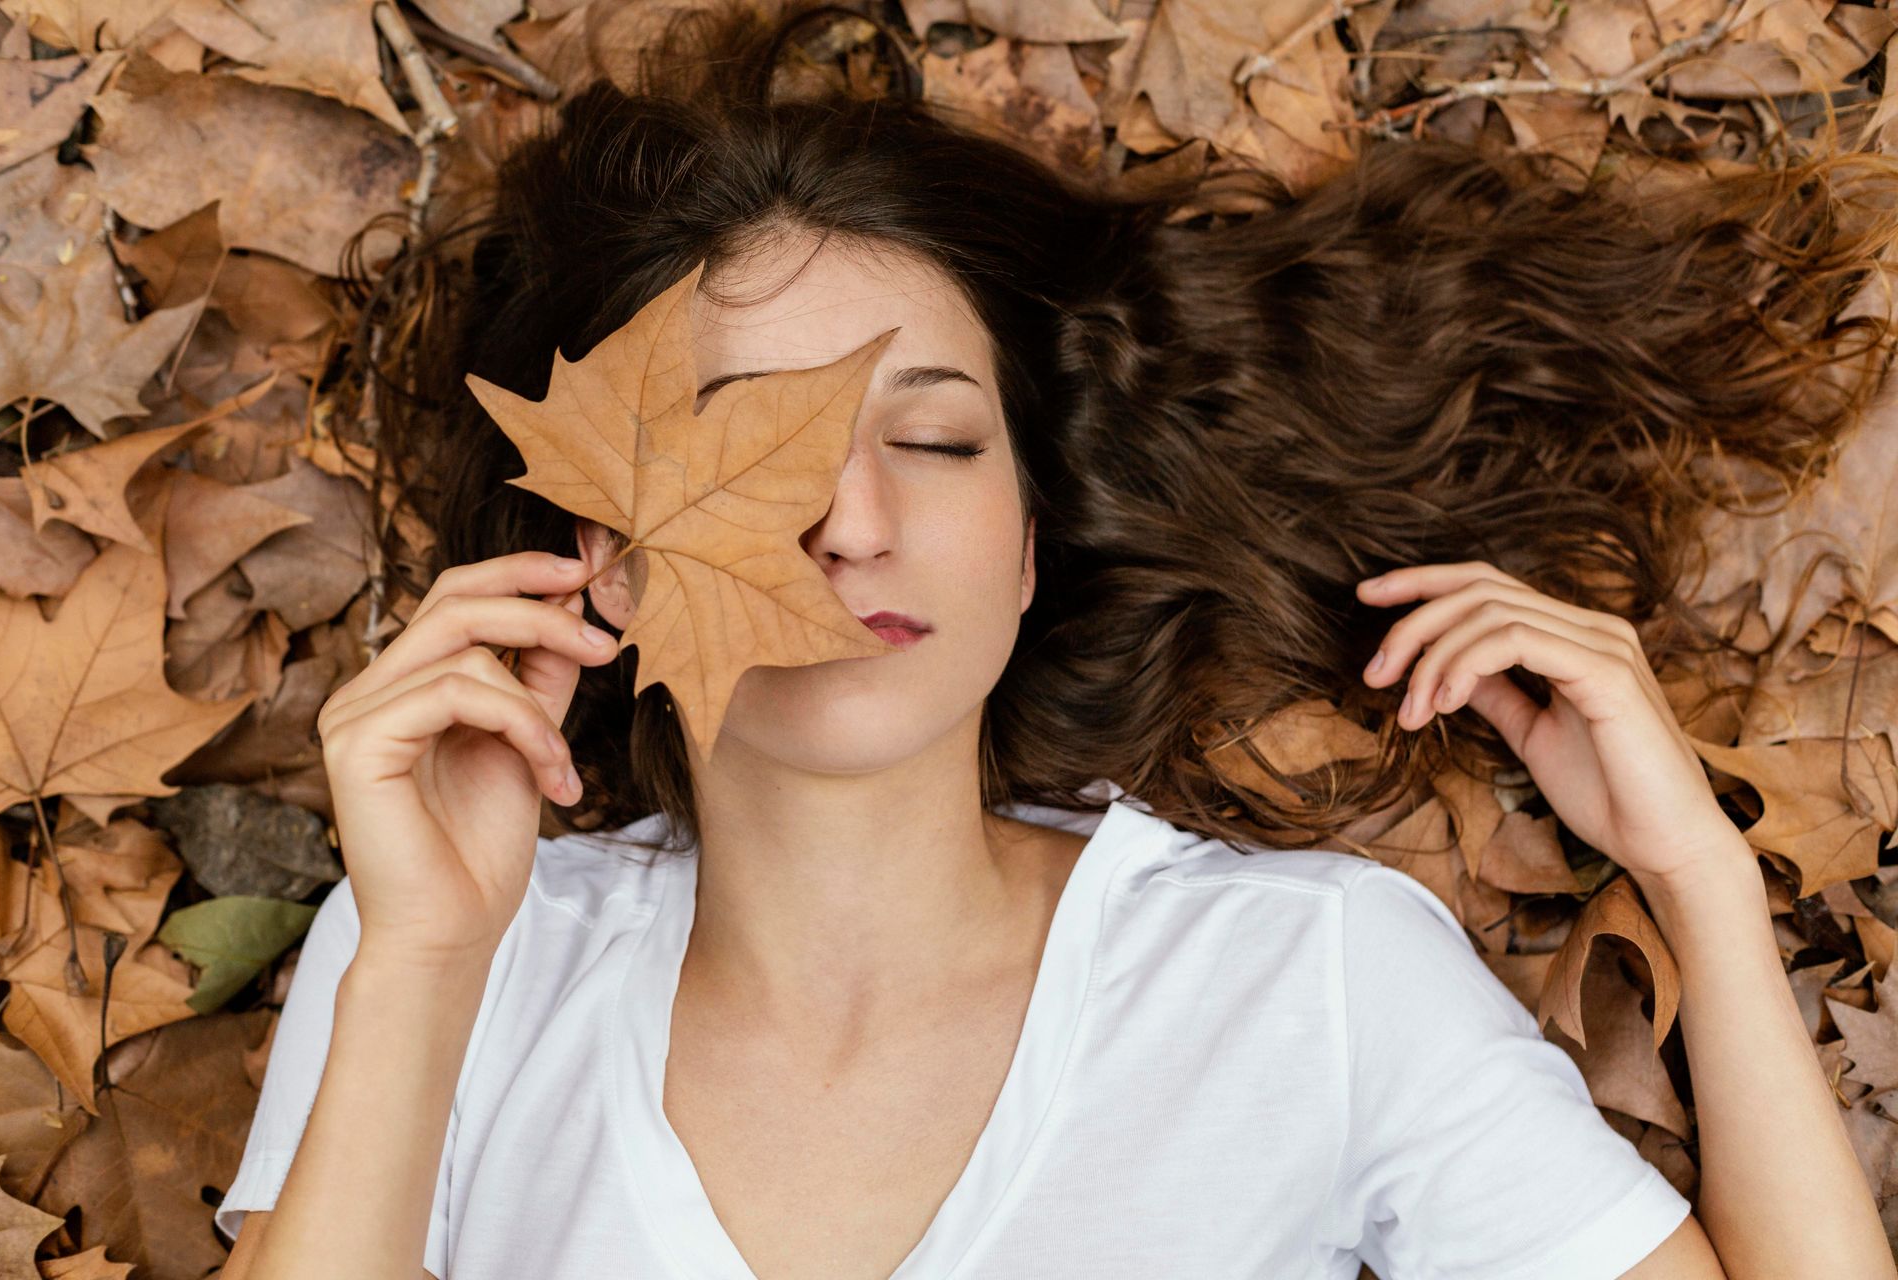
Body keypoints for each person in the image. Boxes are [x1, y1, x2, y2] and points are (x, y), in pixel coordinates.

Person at [213, 2, 1898, 1276]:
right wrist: (425, 972)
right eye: (748, 453)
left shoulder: (1305, 980)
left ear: (1029, 544)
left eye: (935, 440)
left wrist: (1703, 885)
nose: (847, 520)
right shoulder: (450, 953)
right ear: (607, 556)